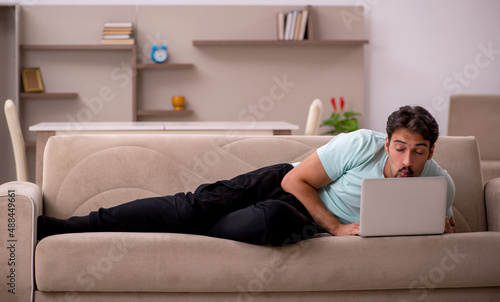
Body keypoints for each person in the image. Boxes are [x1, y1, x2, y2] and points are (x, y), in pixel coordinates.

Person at [37, 105, 456, 246]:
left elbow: (442, 226)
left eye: (418, 152)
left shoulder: (440, 182)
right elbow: (296, 182)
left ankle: (189, 230)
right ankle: (70, 226)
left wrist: (442, 226)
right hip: (286, 183)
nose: (407, 160)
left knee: (271, 222)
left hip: (298, 220)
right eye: (400, 148)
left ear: (431, 152)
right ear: (387, 143)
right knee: (190, 207)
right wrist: (337, 227)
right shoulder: (361, 143)